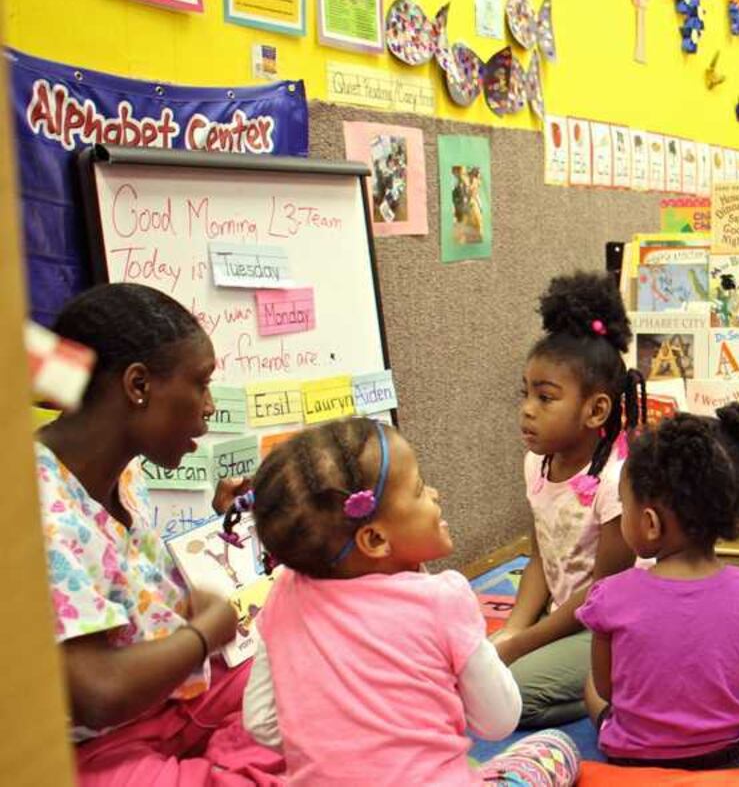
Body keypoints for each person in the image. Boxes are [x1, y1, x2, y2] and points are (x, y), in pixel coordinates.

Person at [35, 282, 284, 785]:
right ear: (138, 385)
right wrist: (201, 636)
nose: (210, 406)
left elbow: (136, 592)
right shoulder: (35, 505)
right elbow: (97, 693)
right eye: (201, 383)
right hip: (95, 749)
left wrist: (221, 525)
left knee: (320, 690)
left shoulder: (125, 479)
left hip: (174, 702)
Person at [235, 419, 572, 786]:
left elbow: (261, 722)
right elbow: (499, 720)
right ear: (376, 538)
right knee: (553, 748)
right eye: (418, 489)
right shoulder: (443, 599)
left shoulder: (284, 591)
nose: (436, 494)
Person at [577, 402, 739, 769]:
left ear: (650, 523)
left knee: (590, 682)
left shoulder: (611, 596)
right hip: (736, 755)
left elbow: (608, 690)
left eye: (625, 505)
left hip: (634, 756)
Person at [496, 272, 644, 727]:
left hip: (613, 626)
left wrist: (521, 646)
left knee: (511, 698)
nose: (527, 409)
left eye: (545, 398)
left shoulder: (615, 480)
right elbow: (540, 558)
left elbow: (605, 591)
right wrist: (513, 630)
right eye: (525, 394)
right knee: (467, 664)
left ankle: (633, 684)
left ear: (595, 409)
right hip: (564, 614)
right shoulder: (535, 463)